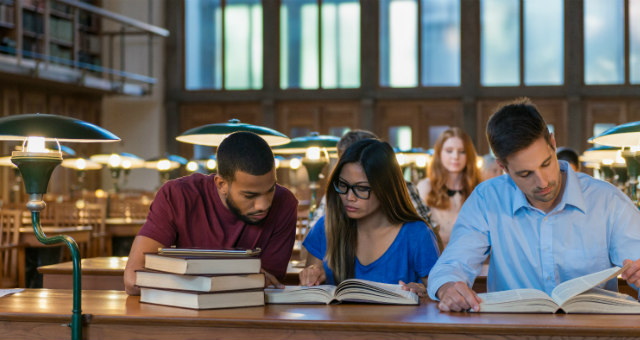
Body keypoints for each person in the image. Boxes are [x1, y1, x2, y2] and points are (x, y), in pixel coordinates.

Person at [427, 98, 640, 312]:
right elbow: (451, 266)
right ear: (503, 167)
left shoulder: (608, 201)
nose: (543, 182)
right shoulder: (487, 199)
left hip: (593, 332)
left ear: (553, 143)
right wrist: (448, 288)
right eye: (525, 174)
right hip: (512, 332)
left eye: (546, 163)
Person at [124, 132, 298, 295]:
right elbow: (133, 279)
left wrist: (194, 275)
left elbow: (268, 282)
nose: (264, 205)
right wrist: (238, 275)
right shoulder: (177, 195)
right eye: (249, 195)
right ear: (221, 184)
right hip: (184, 316)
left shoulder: (285, 203)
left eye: (270, 190)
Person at [299, 139, 440, 297]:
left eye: (362, 188)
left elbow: (438, 296)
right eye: (343, 185)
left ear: (385, 189)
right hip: (339, 322)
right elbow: (310, 295)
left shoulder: (417, 234)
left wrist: (425, 293)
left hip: (394, 322)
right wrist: (310, 277)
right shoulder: (326, 227)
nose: (349, 197)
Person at [309, 129, 441, 249]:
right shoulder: (337, 190)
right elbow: (312, 242)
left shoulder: (402, 190)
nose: (350, 196)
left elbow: (428, 235)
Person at [416, 127, 481, 248]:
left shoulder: (478, 189)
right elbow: (418, 233)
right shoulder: (426, 187)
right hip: (435, 259)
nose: (455, 156)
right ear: (439, 153)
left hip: (471, 260)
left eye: (462, 151)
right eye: (449, 150)